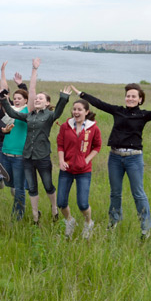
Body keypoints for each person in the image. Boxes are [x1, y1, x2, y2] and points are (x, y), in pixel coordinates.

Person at [72, 84, 151, 239]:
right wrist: (82, 94)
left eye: (133, 96)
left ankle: (145, 228)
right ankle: (114, 222)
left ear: (140, 99)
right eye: (128, 96)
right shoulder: (118, 110)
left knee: (138, 193)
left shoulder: (143, 115)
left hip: (134, 158)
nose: (130, 98)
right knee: (115, 193)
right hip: (115, 157)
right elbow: (99, 103)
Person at [0, 85, 71, 225]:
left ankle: (54, 208)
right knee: (32, 188)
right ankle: (35, 217)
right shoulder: (29, 116)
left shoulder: (50, 116)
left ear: (47, 103)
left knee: (48, 185)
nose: (37, 99)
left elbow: (58, 112)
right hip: (27, 157)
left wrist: (63, 98)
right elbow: (13, 114)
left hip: (43, 156)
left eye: (41, 98)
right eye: (36, 98)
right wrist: (4, 100)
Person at [0, 59, 40, 219]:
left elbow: (33, 90)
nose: (16, 99)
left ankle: (18, 217)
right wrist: (2, 71)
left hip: (19, 156)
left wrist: (34, 69)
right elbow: (3, 90)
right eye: (14, 97)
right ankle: (26, 197)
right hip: (5, 153)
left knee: (19, 188)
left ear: (26, 100)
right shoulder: (9, 111)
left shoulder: (28, 111)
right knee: (11, 185)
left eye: (19, 98)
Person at [56, 100, 102, 238]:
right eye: (74, 109)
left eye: (79, 109)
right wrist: (61, 160)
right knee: (61, 202)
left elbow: (97, 146)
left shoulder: (93, 128)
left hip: (84, 171)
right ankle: (70, 221)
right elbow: (60, 145)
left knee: (82, 204)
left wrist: (87, 159)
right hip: (67, 170)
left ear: (86, 112)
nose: (76, 112)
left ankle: (88, 223)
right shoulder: (65, 126)